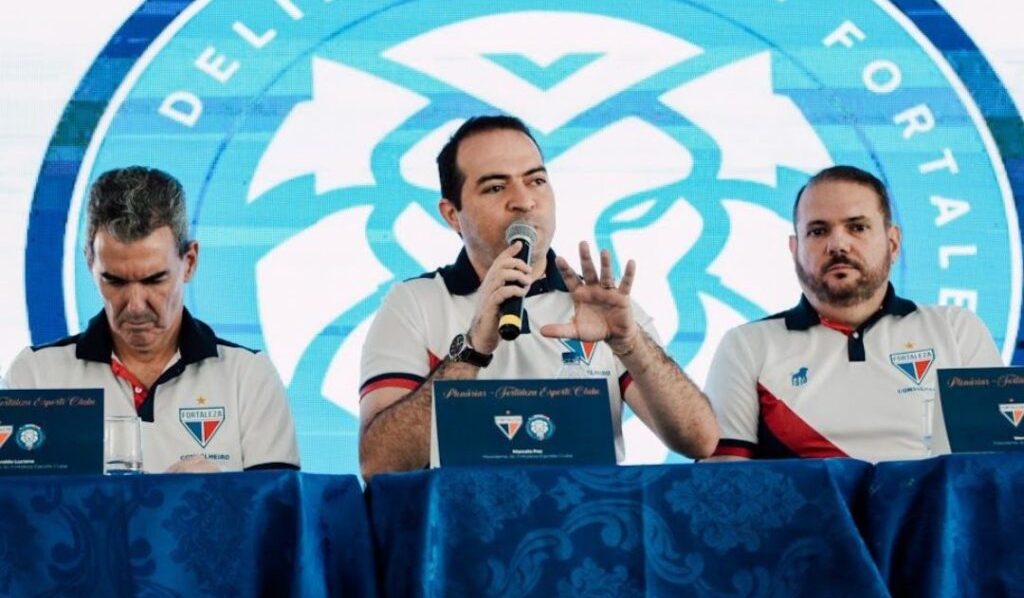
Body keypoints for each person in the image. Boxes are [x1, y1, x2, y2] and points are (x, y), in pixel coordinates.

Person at [358, 115, 718, 480]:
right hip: (462, 528)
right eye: (496, 188)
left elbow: (700, 441)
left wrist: (630, 343)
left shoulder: (598, 304)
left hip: (586, 524)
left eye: (537, 181)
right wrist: (473, 349)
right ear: (452, 214)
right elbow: (379, 464)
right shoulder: (415, 303)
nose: (524, 201)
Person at [5, 167, 299, 473]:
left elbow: (280, 517)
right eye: (114, 281)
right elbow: (13, 514)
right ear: (90, 264)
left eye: (154, 280)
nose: (134, 306)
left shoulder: (248, 378)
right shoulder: (35, 377)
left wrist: (219, 496)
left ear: (190, 262)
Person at [704, 165, 1002, 462]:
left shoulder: (956, 330)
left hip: (932, 510)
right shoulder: (746, 345)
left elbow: (995, 471)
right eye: (818, 231)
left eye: (857, 227)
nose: (838, 245)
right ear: (795, 249)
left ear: (893, 242)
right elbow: (724, 482)